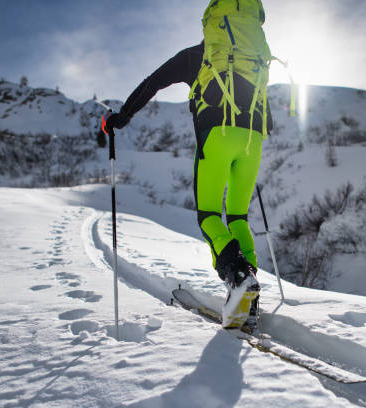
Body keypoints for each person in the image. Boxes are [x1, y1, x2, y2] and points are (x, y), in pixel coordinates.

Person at [103, 8, 273, 330]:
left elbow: (152, 83)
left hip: (217, 136)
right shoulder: (254, 55)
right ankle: (249, 298)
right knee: (238, 218)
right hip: (252, 140)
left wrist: (122, 116)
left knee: (208, 215)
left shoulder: (198, 56)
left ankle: (238, 279)